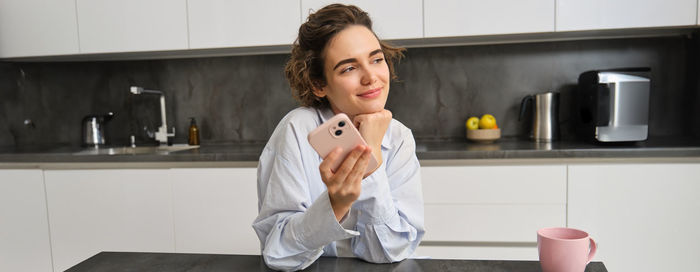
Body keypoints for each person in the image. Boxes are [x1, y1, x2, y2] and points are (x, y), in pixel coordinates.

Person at [252, 4, 425, 271]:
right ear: (319, 84)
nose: (371, 78)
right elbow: (278, 253)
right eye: (348, 68)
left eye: (376, 59)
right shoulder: (297, 130)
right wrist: (336, 205)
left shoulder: (399, 136)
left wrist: (372, 160)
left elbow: (391, 250)